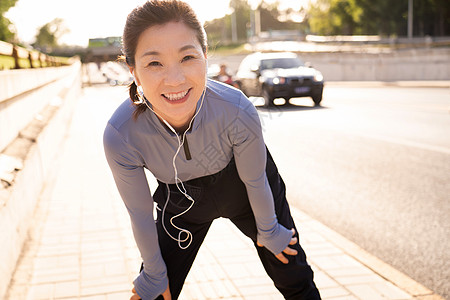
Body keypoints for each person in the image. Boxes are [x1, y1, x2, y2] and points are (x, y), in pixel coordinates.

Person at [103, 1, 321, 299]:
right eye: (155, 63)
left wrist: (269, 231)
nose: (175, 79)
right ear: (134, 71)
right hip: (182, 202)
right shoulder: (121, 135)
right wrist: (154, 273)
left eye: (187, 57)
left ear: (205, 58)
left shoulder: (237, 109)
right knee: (152, 293)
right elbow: (139, 213)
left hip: (245, 188)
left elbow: (255, 180)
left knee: (293, 272)